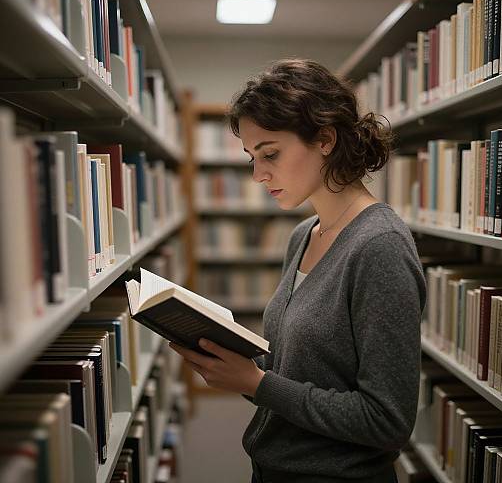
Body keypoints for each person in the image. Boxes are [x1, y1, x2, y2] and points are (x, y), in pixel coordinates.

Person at [168, 58, 426, 482]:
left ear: (325, 139)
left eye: (270, 154)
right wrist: (237, 365)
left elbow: (387, 422)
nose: (257, 174)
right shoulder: (304, 234)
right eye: (252, 157)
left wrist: (256, 383)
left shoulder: (380, 247)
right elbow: (302, 373)